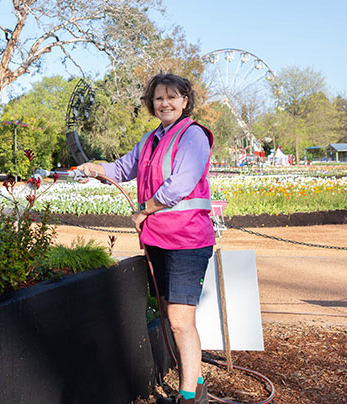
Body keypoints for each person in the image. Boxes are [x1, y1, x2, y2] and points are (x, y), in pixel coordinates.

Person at [77, 73, 214, 404]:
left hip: (187, 241)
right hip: (159, 241)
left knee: (180, 322)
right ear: (151, 104)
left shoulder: (192, 136)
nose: (164, 103)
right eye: (158, 98)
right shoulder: (151, 139)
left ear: (185, 101)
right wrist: (95, 168)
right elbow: (123, 169)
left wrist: (145, 210)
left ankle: (188, 398)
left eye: (171, 97)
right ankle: (195, 386)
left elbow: (181, 184)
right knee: (172, 317)